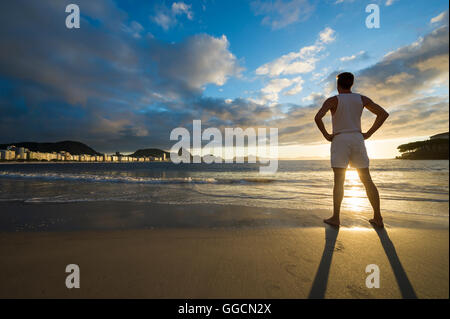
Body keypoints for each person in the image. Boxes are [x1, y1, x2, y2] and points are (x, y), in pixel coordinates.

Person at [314, 72, 389, 227]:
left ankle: (336, 218)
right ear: (351, 84)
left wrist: (326, 135)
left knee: (339, 180)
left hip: (340, 139)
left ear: (338, 84)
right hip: (357, 138)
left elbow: (318, 117)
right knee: (367, 179)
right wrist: (368, 133)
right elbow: (383, 114)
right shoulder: (361, 99)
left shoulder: (333, 100)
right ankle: (378, 218)